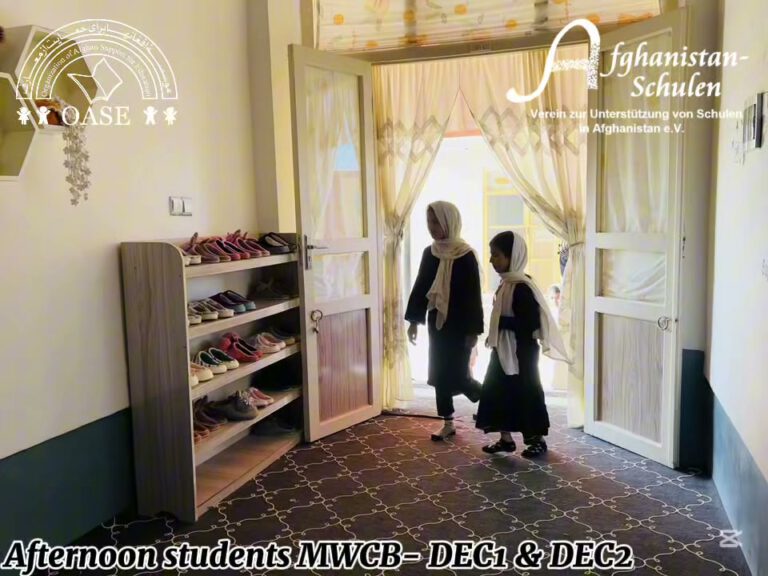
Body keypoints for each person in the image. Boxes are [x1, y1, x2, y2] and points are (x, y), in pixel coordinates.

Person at [475, 231, 570, 457]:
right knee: (497, 391)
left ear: (512, 257)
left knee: (525, 393)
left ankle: (536, 440)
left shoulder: (522, 287)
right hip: (502, 350)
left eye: (496, 255)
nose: (491, 260)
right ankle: (505, 439)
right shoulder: (506, 283)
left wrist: (502, 322)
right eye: (491, 255)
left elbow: (530, 324)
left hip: (522, 353)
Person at [405, 201, 484, 441]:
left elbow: (473, 295)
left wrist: (474, 331)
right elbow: (421, 286)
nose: (431, 227)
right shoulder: (430, 253)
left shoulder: (465, 254)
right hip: (437, 321)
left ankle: (491, 400)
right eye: (429, 222)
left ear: (449, 222)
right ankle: (448, 422)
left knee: (460, 374)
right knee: (439, 372)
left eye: (436, 222)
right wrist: (414, 322)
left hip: (461, 324)